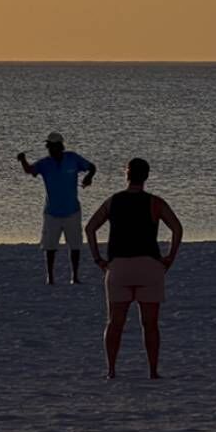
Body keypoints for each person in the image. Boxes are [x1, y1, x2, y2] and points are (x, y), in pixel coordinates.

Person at [86, 157, 183, 380]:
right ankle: (153, 371)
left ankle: (111, 370)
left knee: (115, 323)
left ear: (126, 175)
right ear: (146, 176)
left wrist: (98, 259)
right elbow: (177, 229)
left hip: (119, 267)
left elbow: (90, 228)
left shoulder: (113, 201)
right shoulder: (155, 202)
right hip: (149, 266)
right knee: (150, 324)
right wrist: (170, 257)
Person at [16, 131, 94, 285]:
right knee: (50, 247)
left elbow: (92, 167)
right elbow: (30, 170)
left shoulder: (72, 158)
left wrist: (89, 177)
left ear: (60, 146)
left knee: (75, 245)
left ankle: (75, 276)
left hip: (72, 210)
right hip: (51, 212)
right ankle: (50, 277)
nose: (50, 149)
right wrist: (23, 160)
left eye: (52, 146)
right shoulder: (45, 163)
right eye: (48, 146)